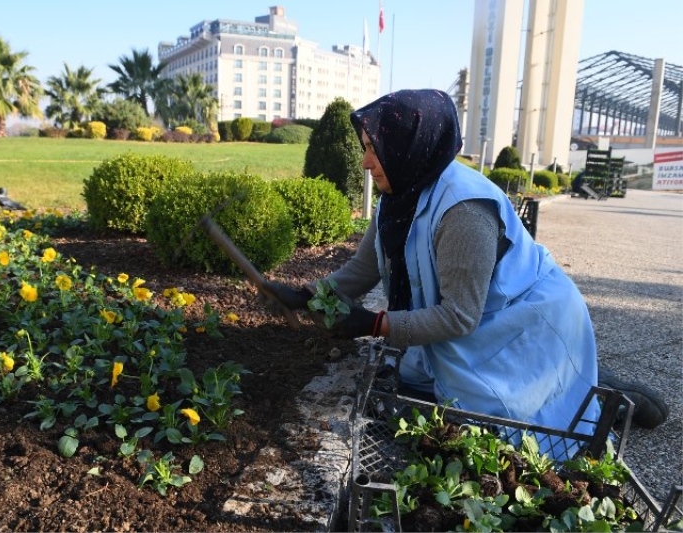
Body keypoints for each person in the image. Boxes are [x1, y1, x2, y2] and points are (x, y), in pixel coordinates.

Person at [263, 89, 667, 431]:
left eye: (375, 151)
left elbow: (458, 317)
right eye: (365, 150)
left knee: (511, 424)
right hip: (480, 322)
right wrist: (306, 294)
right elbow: (363, 270)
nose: (367, 164)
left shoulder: (464, 211)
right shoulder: (398, 195)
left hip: (521, 324)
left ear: (408, 147)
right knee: (426, 389)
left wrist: (375, 323)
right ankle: (577, 380)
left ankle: (603, 395)